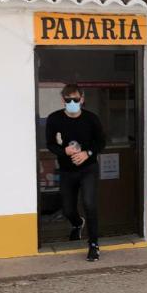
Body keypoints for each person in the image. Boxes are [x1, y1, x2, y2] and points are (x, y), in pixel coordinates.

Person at [45, 83, 105, 261]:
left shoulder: (91, 118)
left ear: (82, 99)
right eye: (68, 99)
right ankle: (77, 223)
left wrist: (87, 154)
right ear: (63, 100)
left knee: (89, 204)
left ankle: (93, 245)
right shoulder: (54, 118)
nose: (72, 102)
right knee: (68, 208)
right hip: (67, 170)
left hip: (88, 169)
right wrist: (64, 151)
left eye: (76, 99)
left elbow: (101, 142)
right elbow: (50, 144)